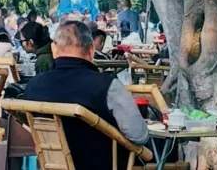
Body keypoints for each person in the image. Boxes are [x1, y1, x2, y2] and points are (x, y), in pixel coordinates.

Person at [24, 21, 149, 170]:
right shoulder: (107, 86)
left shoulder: (34, 85)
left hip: (51, 166)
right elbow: (139, 135)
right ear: (91, 50)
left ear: (54, 49)